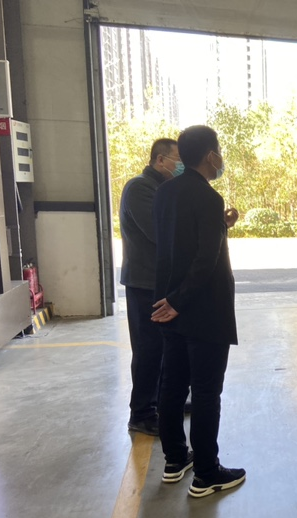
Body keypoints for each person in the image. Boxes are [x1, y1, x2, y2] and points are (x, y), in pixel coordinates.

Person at [151, 125, 245, 498]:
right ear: (210, 155)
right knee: (206, 392)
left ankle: (175, 459)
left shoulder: (165, 192)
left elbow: (178, 244)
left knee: (172, 386)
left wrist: (171, 301)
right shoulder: (208, 196)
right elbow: (206, 260)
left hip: (169, 307)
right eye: (219, 151)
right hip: (202, 309)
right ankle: (207, 473)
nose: (221, 158)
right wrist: (181, 300)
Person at [120, 138, 182, 436]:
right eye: (178, 159)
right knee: (148, 349)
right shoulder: (140, 188)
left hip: (161, 283)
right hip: (145, 284)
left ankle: (160, 401)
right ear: (160, 160)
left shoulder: (165, 189)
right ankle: (142, 412)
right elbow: (161, 232)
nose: (181, 166)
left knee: (163, 348)